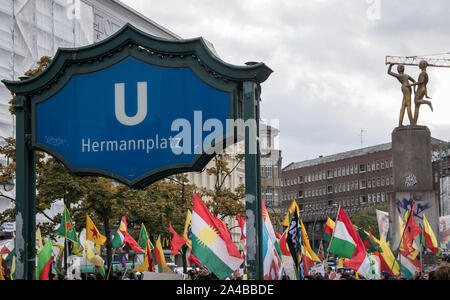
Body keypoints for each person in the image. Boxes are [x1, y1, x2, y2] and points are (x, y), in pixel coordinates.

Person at [407, 60, 433, 124]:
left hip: (420, 89)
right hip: (423, 89)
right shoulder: (424, 72)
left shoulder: (423, 73)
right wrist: (426, 94)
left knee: (416, 102)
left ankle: (428, 102)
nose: (418, 65)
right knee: (417, 106)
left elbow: (421, 82)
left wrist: (412, 84)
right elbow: (424, 84)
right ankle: (414, 123)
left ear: (422, 65)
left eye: (420, 64)